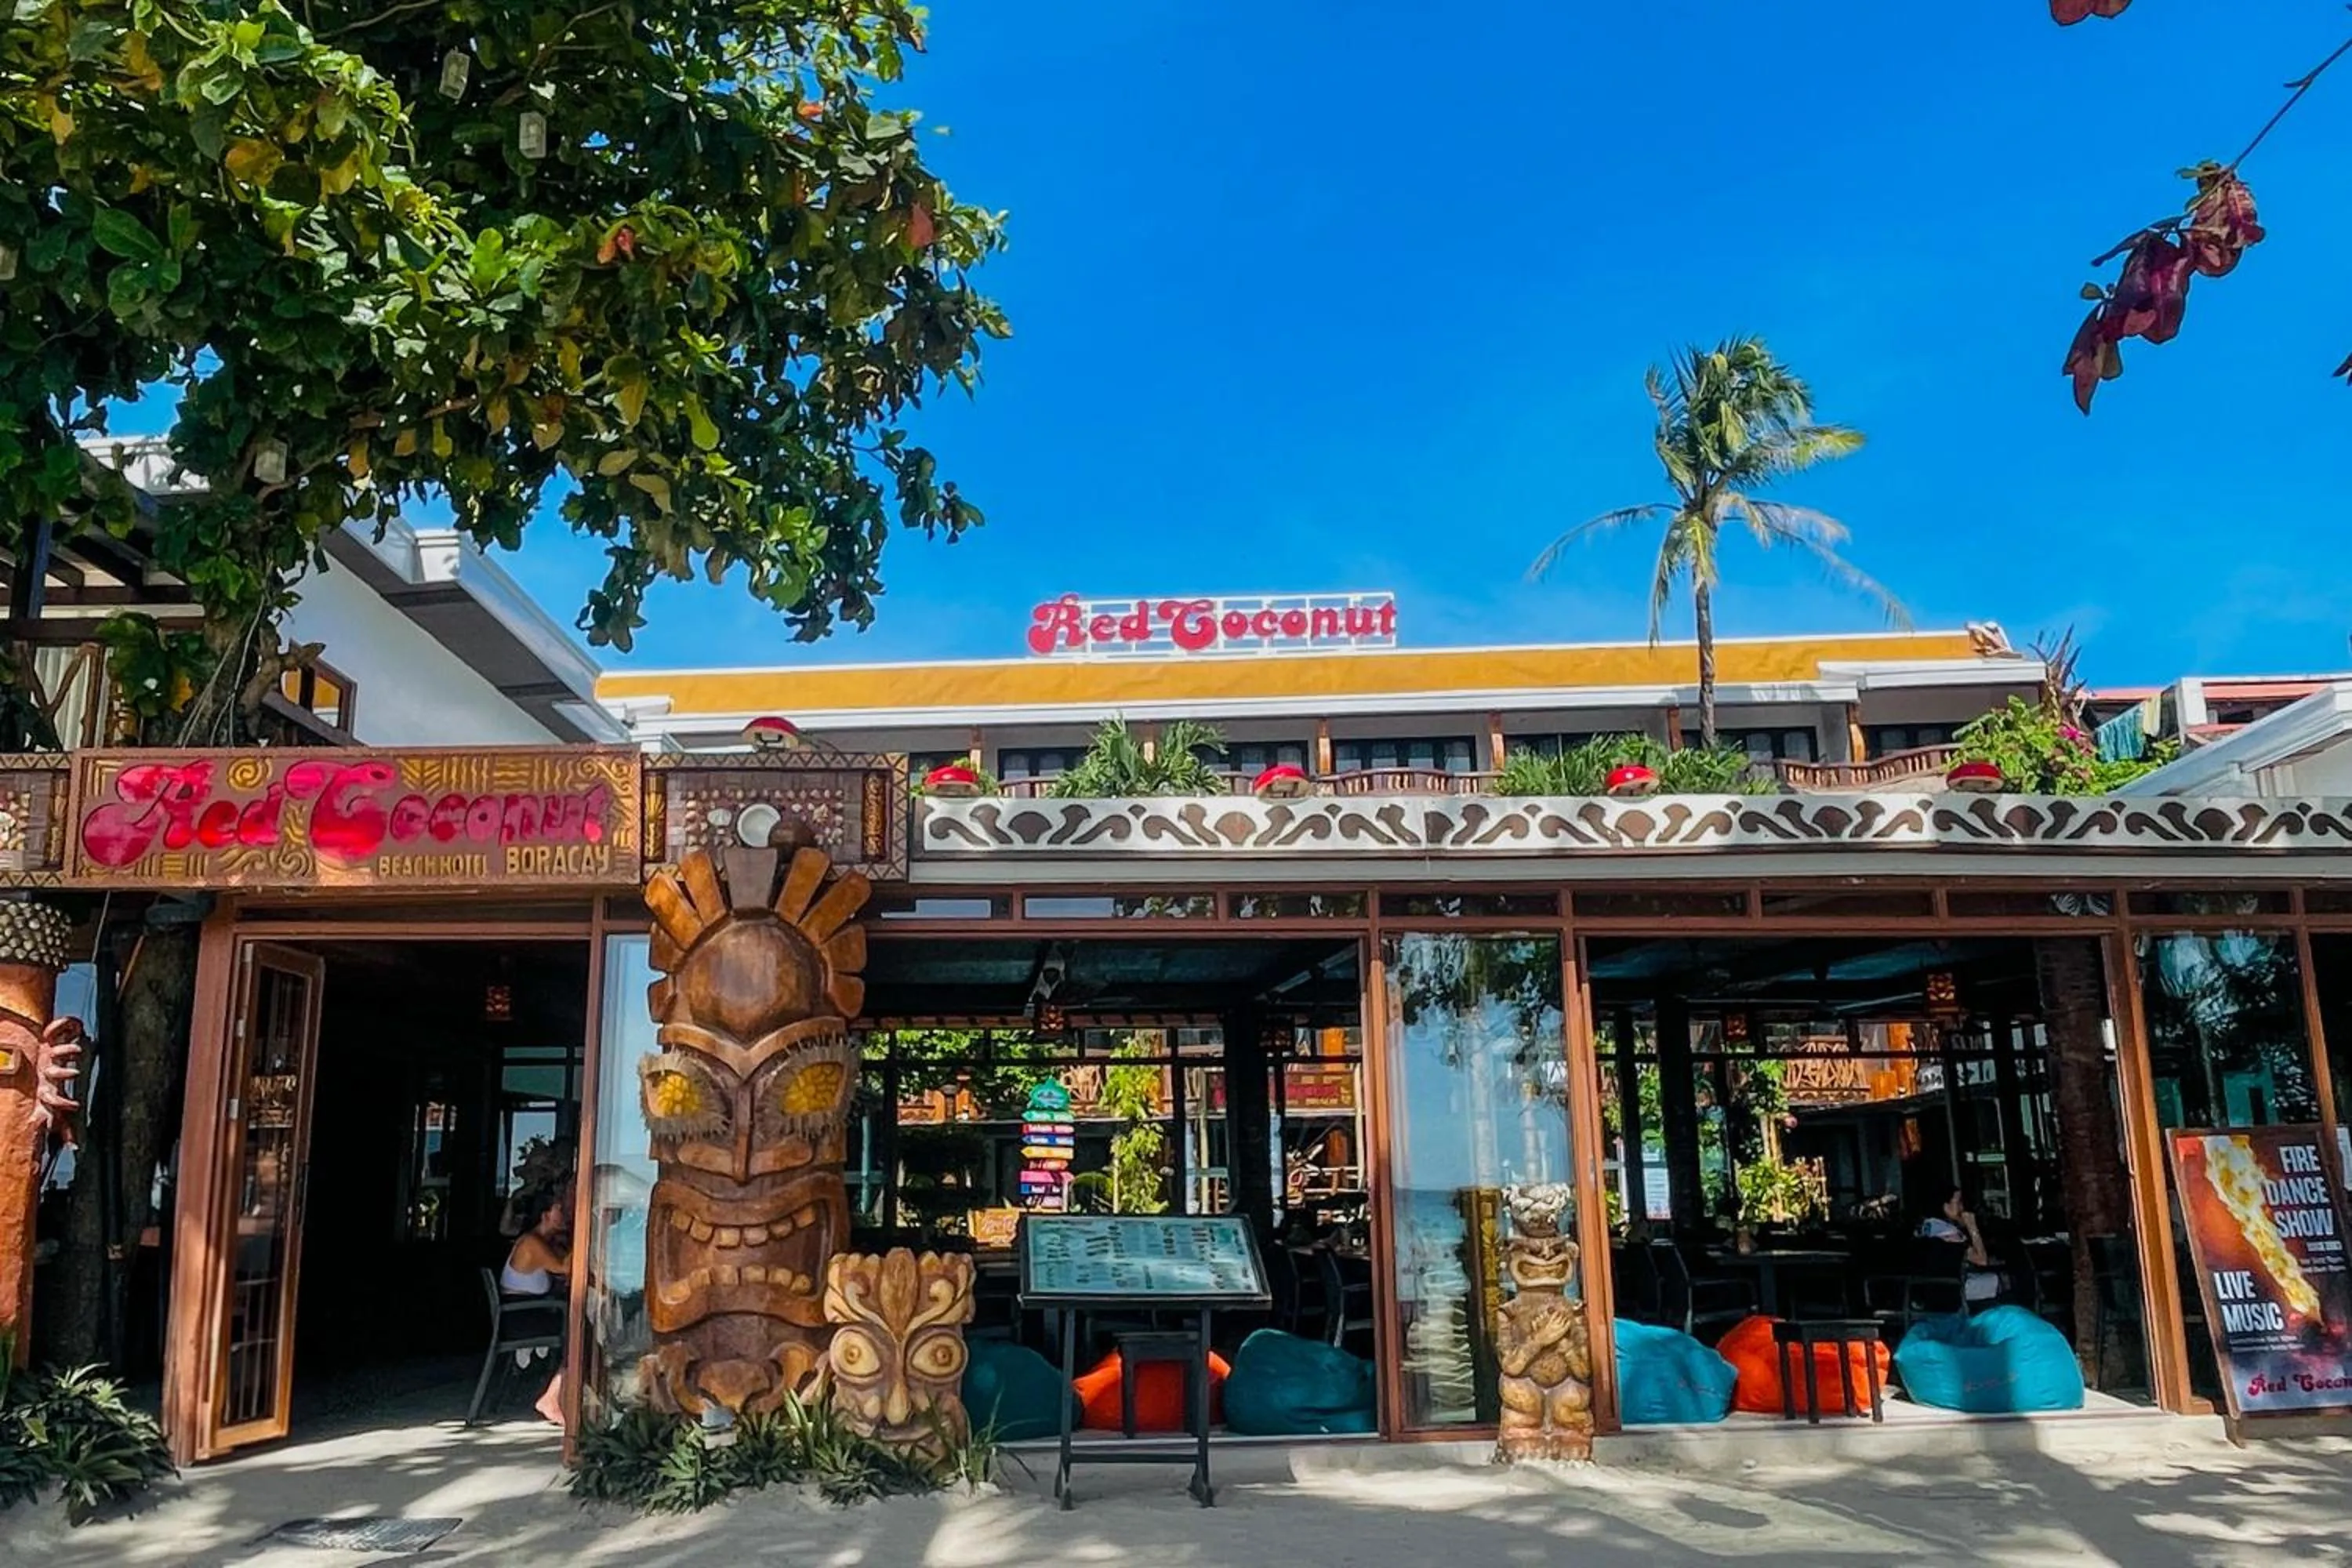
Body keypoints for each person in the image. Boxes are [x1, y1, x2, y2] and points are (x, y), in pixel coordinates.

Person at [501, 1185, 571, 1423]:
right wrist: (584, 1236)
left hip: (527, 1313)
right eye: (560, 1210)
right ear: (545, 1216)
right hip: (523, 1319)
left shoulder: (542, 1240)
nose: (566, 1215)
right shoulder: (532, 1243)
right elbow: (565, 1268)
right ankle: (553, 1397)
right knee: (581, 1332)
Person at [1918, 1187, 2002, 1305]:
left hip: (1932, 1286)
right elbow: (1981, 1260)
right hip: (1951, 1288)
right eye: (1959, 1203)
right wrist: (1972, 1226)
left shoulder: (1928, 1226)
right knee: (2000, 1281)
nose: (1962, 1208)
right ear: (1946, 1207)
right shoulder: (1948, 1232)